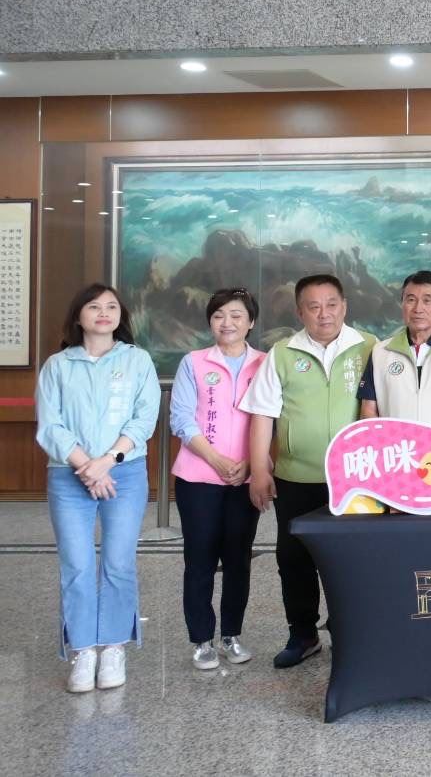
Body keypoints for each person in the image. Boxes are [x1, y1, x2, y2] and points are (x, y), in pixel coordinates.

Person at [242, 274, 376, 669]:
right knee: (294, 557)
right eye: (313, 307)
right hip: (296, 476)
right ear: (300, 312)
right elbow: (262, 414)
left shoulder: (370, 347)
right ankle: (302, 634)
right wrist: (259, 469)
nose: (324, 314)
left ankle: (350, 631)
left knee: (353, 559)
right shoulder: (282, 353)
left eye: (331, 304)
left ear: (344, 306)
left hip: (355, 478)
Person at [35, 284, 159, 693]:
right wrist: (85, 465)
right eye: (93, 306)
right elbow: (50, 425)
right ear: (79, 315)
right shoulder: (58, 365)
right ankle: (84, 650)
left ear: (121, 316)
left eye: (111, 306)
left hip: (124, 473)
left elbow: (144, 418)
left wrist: (106, 461)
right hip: (68, 476)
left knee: (118, 562)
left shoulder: (137, 360)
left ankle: (114, 647)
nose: (103, 312)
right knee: (77, 565)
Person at [168, 287, 266, 671]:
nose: (227, 322)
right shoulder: (193, 362)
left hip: (246, 478)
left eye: (236, 315)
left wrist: (251, 464)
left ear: (251, 322)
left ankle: (231, 635)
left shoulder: (265, 364)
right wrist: (216, 459)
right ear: (210, 321)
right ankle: (201, 640)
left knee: (239, 559)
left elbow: (272, 419)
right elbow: (181, 418)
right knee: (200, 559)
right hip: (198, 478)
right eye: (219, 315)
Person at [359, 270, 431, 439]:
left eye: (427, 301)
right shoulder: (380, 352)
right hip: (395, 449)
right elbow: (368, 409)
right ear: (402, 304)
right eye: (411, 300)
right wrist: (386, 444)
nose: (418, 309)